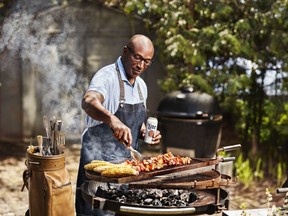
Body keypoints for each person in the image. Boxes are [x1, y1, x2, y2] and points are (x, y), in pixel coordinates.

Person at [76, 34, 162, 216]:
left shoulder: (141, 86)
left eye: (147, 62)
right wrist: (112, 119)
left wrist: (145, 132)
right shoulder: (106, 77)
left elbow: (135, 125)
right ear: (125, 51)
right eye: (137, 57)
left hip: (127, 170)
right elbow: (88, 101)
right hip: (99, 171)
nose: (140, 66)